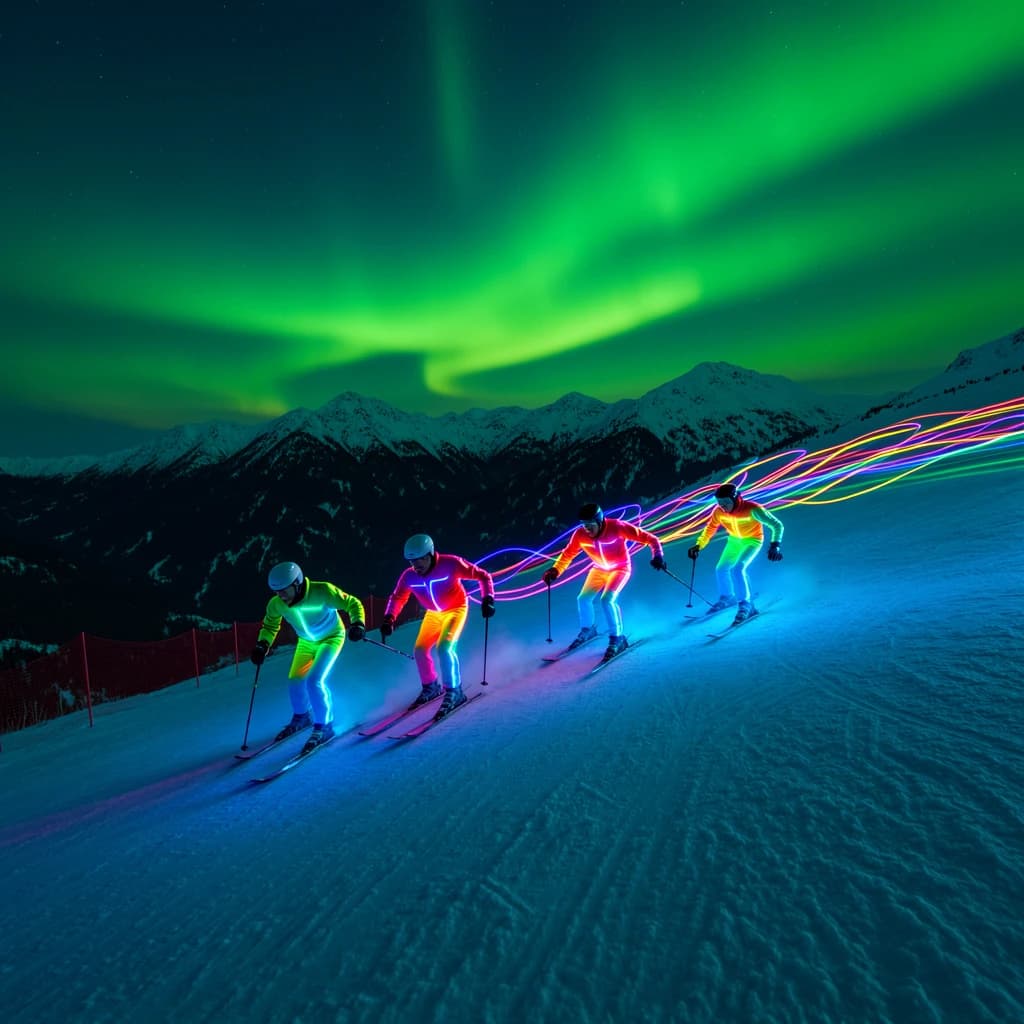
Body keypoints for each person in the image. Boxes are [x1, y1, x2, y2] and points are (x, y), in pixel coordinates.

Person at [250, 561, 366, 754]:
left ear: (297, 583)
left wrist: (358, 623)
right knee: (295, 680)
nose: (280, 595)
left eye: (284, 590)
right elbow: (270, 626)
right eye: (276, 591)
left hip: (331, 638)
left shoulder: (323, 591)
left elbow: (352, 603)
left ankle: (324, 725)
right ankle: (302, 716)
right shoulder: (276, 604)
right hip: (306, 642)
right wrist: (262, 645)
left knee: (314, 681)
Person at [380, 534, 495, 719]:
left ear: (430, 554)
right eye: (412, 562)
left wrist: (488, 599)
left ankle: (454, 691)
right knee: (420, 649)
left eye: (420, 560)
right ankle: (431, 686)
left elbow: (482, 576)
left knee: (444, 648)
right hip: (433, 613)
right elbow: (398, 597)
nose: (416, 566)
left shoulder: (451, 564)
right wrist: (389, 618)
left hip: (456, 609)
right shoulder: (409, 576)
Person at [540, 502, 666, 661]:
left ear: (599, 521)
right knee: (583, 598)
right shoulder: (580, 535)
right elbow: (567, 554)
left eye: (590, 525)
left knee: (607, 600)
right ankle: (588, 630)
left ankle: (618, 639)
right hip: (599, 569)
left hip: (620, 569)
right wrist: (555, 570)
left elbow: (650, 538)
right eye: (583, 525)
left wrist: (658, 556)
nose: (586, 529)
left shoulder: (617, 527)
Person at [687, 483, 784, 624]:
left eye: (726, 503)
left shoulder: (752, 509)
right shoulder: (719, 512)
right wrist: (698, 545)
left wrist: (775, 545)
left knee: (739, 569)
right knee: (721, 569)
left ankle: (746, 605)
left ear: (736, 499)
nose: (723, 507)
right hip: (734, 541)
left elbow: (776, 525)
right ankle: (727, 597)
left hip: (752, 540)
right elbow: (710, 528)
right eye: (720, 503)